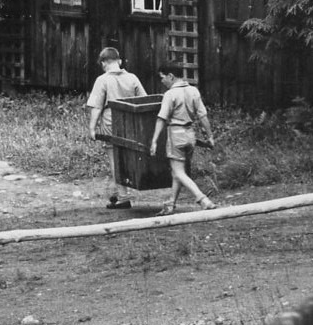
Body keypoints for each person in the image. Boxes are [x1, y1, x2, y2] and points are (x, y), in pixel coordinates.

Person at [85, 46, 148, 210]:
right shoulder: (132, 78)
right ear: (119, 61)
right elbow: (144, 101)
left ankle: (123, 196)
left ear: (104, 63)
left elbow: (96, 107)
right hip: (131, 123)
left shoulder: (102, 80)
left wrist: (92, 128)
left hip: (111, 123)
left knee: (115, 158)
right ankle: (117, 190)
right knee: (127, 155)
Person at [150, 65, 218, 215]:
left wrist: (154, 140)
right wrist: (210, 136)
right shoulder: (194, 91)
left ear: (171, 76)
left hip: (176, 134)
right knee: (177, 172)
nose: (162, 81)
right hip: (190, 135)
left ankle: (202, 199)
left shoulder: (170, 94)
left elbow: (161, 118)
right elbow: (203, 116)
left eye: (162, 77)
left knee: (179, 172)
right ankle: (171, 204)